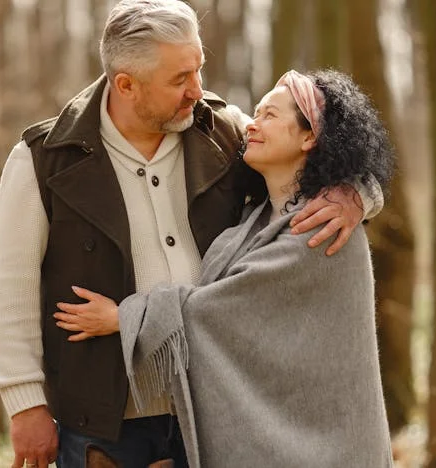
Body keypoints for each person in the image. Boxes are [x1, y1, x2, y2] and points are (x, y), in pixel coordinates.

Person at [0, 1, 382, 466]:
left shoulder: (223, 131)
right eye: (179, 79)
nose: (197, 90)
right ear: (126, 84)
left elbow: (315, 155)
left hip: (215, 408)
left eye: (198, 69)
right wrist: (25, 402)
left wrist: (357, 194)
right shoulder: (44, 158)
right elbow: (9, 284)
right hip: (106, 423)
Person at [53, 69, 394, 467]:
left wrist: (122, 318)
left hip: (331, 449)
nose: (253, 125)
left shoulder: (324, 227)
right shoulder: (256, 216)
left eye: (269, 115)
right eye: (256, 112)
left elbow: (221, 309)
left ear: (309, 136)